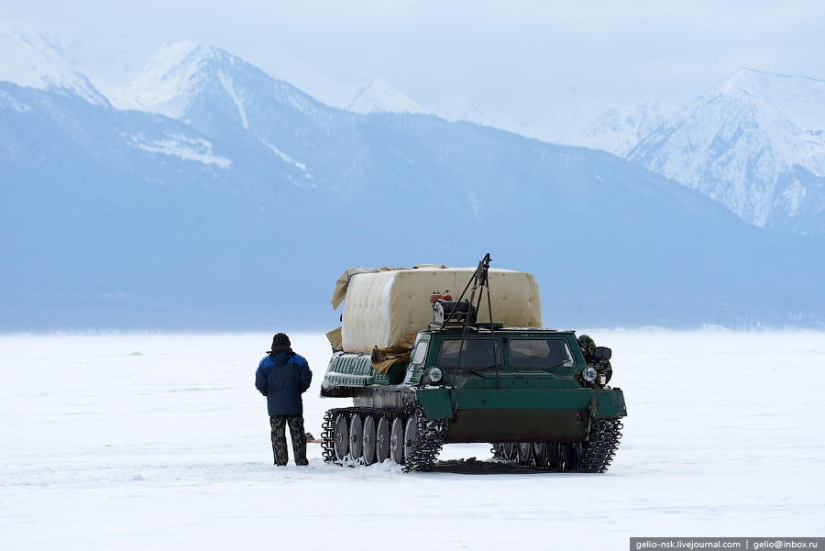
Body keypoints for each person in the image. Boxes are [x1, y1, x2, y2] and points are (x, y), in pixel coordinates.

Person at [255, 333, 313, 466]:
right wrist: (296, 391)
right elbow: (306, 379)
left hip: (275, 407)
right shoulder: (300, 360)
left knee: (278, 436)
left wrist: (269, 394)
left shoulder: (265, 363)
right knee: (298, 434)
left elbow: (259, 383)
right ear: (288, 344)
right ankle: (301, 461)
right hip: (294, 404)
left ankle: (281, 463)